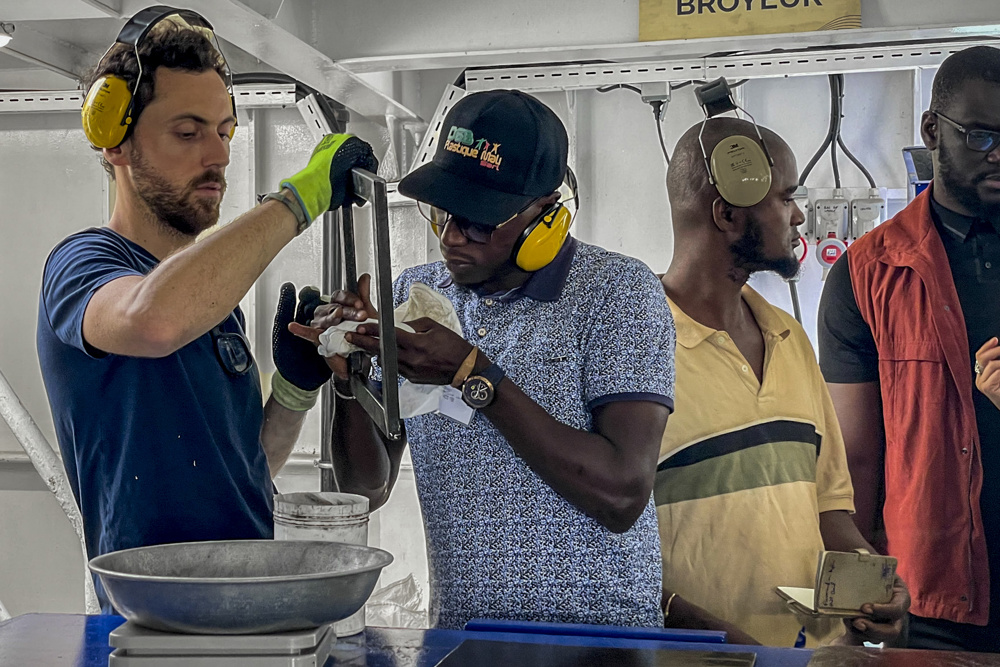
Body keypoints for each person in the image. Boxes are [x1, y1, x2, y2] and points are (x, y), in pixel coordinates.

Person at [288, 90, 675, 629]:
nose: (450, 237)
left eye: (477, 222)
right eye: (442, 213)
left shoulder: (618, 293)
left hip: (599, 643)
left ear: (546, 219)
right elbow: (364, 489)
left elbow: (622, 493)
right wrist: (352, 376)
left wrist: (472, 372)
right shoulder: (418, 296)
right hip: (463, 636)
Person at [36, 7, 376, 610]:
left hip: (238, 607)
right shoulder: (82, 265)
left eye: (224, 133)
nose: (216, 157)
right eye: (188, 133)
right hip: (149, 621)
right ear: (115, 140)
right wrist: (302, 198)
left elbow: (249, 474)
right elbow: (152, 319)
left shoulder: (215, 307)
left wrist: (296, 389)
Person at [657, 117, 908, 646]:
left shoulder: (789, 340)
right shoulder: (638, 348)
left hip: (812, 657)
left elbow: (830, 507)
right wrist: (692, 628)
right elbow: (599, 541)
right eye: (785, 198)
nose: (798, 216)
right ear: (726, 214)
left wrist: (872, 585)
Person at [818, 45, 1000, 652]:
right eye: (980, 136)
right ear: (932, 130)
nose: (999, 153)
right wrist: (859, 604)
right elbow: (857, 465)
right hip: (930, 609)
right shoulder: (867, 274)